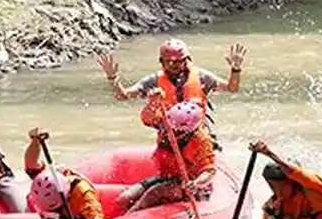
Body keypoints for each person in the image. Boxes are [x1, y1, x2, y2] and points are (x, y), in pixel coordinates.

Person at [97, 38, 246, 146]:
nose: (172, 65)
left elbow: (232, 88)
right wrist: (113, 78)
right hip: (169, 137)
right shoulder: (154, 80)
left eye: (177, 61)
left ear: (186, 60)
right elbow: (123, 96)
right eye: (167, 62)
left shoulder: (201, 77)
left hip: (198, 135)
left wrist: (235, 69)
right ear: (161, 62)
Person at [0, 128, 109, 219]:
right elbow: (30, 163)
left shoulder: (82, 191)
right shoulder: (45, 177)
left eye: (55, 208)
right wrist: (35, 141)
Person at [118, 101, 216, 213]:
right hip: (169, 177)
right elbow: (146, 118)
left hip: (189, 183)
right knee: (125, 198)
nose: (172, 132)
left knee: (153, 193)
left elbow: (209, 171)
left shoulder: (201, 141)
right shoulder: (167, 122)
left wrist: (195, 184)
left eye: (177, 131)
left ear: (190, 130)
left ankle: (130, 216)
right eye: (171, 127)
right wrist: (152, 102)